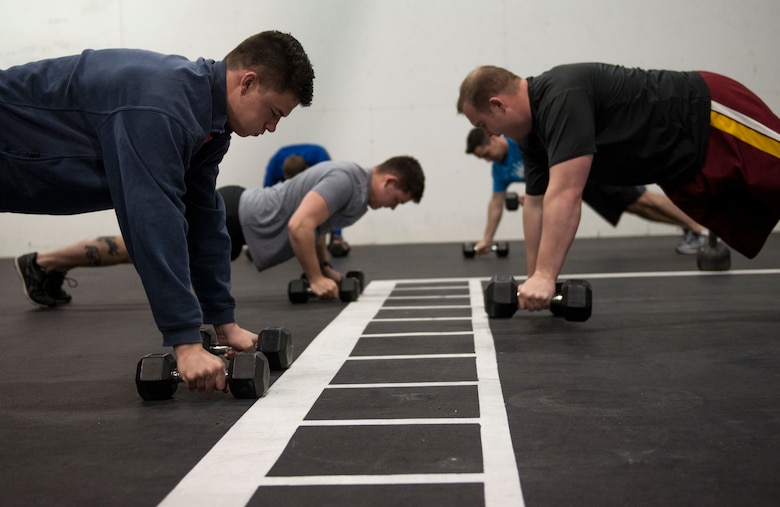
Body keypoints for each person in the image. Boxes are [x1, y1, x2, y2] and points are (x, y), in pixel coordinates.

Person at [3, 31, 315, 395]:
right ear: (247, 83)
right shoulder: (162, 106)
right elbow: (153, 220)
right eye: (274, 113)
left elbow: (203, 220)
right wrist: (185, 342)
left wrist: (224, 322)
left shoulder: (209, 123)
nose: (273, 127)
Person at [457, 63, 780, 313]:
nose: (491, 133)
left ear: (498, 104)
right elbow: (536, 204)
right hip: (684, 165)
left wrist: (545, 275)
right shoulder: (532, 140)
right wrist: (537, 277)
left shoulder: (561, 95)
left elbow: (567, 193)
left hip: (708, 114)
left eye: (484, 126)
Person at [17, 156, 425, 304]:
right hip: (231, 214)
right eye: (398, 201)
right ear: (390, 181)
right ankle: (42, 261)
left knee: (143, 248)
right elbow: (300, 225)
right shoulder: (347, 179)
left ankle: (46, 266)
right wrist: (315, 278)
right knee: (140, 246)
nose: (392, 208)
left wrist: (326, 270)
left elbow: (316, 230)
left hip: (238, 222)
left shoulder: (353, 189)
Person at [464, 128, 709, 255]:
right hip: (574, 187)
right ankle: (691, 227)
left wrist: (535, 195)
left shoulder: (523, 141)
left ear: (494, 140)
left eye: (486, 154)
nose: (487, 160)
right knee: (632, 206)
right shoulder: (499, 169)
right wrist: (487, 239)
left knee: (641, 198)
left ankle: (701, 229)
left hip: (588, 169)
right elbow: (496, 203)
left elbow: (557, 163)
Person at [262, 143, 351, 257]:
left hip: (316, 162)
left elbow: (335, 197)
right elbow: (266, 199)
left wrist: (336, 234)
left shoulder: (321, 161)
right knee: (271, 202)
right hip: (283, 163)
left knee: (329, 199)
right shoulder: (275, 165)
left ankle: (336, 239)